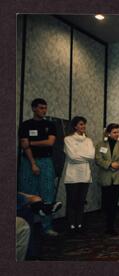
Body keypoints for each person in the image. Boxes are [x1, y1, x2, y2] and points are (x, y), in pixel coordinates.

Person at [18, 98, 58, 236]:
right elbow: (24, 146)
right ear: (34, 108)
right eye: (41, 108)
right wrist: (33, 163)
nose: (43, 110)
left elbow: (50, 142)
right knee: (28, 193)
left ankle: (47, 227)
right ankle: (26, 227)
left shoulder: (50, 125)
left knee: (47, 193)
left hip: (46, 161)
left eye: (45, 108)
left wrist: (31, 143)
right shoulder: (25, 125)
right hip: (28, 161)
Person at [63, 116, 95, 234]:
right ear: (75, 126)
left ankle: (79, 223)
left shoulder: (89, 140)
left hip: (85, 175)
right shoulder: (68, 139)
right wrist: (84, 156)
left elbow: (91, 156)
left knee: (81, 201)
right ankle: (71, 224)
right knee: (72, 201)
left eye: (84, 124)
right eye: (81, 124)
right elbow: (72, 156)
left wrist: (79, 154)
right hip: (72, 176)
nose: (83, 127)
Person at [95, 123, 119, 235]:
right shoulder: (100, 145)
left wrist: (115, 165)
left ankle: (111, 226)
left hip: (118, 177)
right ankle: (106, 224)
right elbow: (98, 159)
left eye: (118, 132)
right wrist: (110, 164)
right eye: (114, 132)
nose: (117, 134)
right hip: (105, 177)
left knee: (114, 203)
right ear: (108, 133)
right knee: (106, 203)